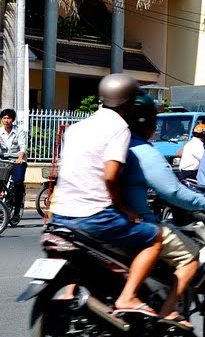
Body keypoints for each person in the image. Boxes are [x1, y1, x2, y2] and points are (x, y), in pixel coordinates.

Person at [49, 74, 164, 317]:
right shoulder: (119, 128)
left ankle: (72, 291)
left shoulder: (76, 128)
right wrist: (124, 208)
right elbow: (111, 176)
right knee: (154, 237)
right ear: (129, 104)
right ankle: (128, 296)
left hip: (60, 216)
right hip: (94, 216)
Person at [123, 94, 205, 329]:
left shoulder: (115, 143)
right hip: (141, 218)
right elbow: (173, 192)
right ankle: (168, 310)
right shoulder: (145, 152)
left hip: (94, 217)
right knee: (191, 254)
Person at [0, 107, 27, 218]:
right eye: (4, 118)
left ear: (13, 119)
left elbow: (23, 146)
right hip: (3, 159)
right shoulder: (0, 131)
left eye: (9, 118)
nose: (6, 120)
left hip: (17, 160)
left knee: (17, 183)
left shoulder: (19, 131)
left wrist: (20, 158)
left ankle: (16, 210)